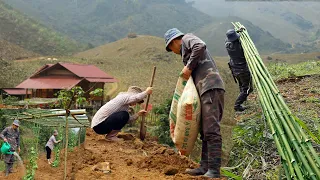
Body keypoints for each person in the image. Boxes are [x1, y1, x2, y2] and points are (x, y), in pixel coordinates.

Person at [164, 28, 225, 178]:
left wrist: (189, 67)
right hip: (204, 89)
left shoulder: (187, 39)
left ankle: (214, 170)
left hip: (210, 86)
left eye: (170, 48)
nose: (173, 52)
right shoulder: (185, 50)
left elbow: (200, 45)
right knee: (205, 131)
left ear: (174, 42)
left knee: (211, 129)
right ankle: (204, 167)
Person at [225, 28, 253, 112]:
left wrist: (236, 31)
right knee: (247, 88)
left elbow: (229, 37)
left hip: (234, 69)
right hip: (242, 69)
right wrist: (239, 32)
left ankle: (243, 100)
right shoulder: (240, 46)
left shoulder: (227, 43)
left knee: (241, 85)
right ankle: (237, 105)